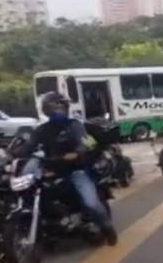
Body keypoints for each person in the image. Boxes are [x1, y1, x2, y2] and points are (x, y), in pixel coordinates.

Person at [14, 92, 118, 246]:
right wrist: (14, 153)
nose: (57, 111)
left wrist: (77, 152)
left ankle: (108, 228)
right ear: (46, 111)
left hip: (75, 170)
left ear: (66, 108)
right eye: (53, 109)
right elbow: (29, 146)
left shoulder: (74, 125)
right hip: (53, 170)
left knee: (91, 203)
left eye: (60, 108)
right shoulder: (42, 129)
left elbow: (85, 142)